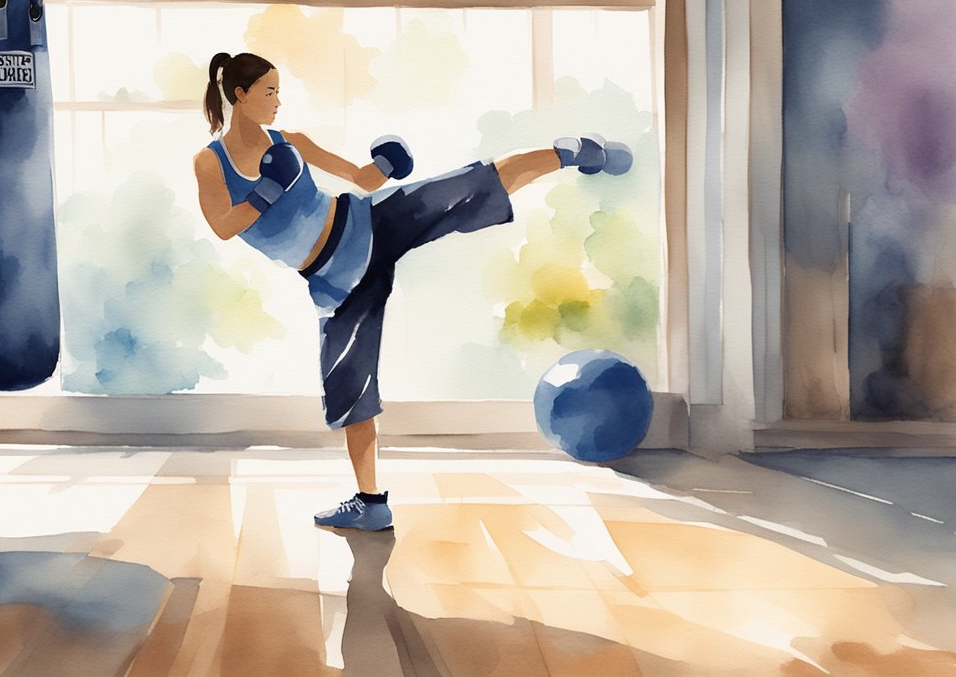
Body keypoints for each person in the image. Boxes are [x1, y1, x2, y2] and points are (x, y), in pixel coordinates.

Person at [193, 51, 630, 531]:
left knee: (467, 185)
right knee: (348, 389)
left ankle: (570, 153)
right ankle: (371, 502)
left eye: (279, 91)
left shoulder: (290, 142)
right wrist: (264, 191)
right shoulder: (210, 162)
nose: (278, 101)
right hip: (335, 281)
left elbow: (361, 178)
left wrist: (385, 165)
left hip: (367, 223)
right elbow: (222, 226)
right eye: (270, 92)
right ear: (240, 94)